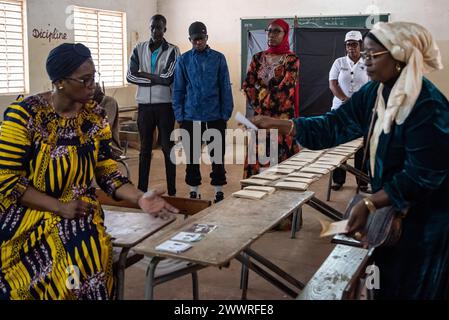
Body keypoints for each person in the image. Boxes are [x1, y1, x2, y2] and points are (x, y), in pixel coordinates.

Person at [252, 21, 449, 299]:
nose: (365, 61)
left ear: (399, 57)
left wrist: (372, 202)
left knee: (414, 285)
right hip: (393, 211)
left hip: (426, 219)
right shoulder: (375, 92)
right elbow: (336, 124)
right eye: (364, 54)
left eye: (372, 55)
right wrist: (284, 125)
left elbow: (425, 173)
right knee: (386, 280)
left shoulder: (426, 103)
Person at [0, 43, 178, 300]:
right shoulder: (25, 115)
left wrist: (139, 197)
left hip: (78, 213)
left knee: (85, 253)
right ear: (60, 82)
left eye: (94, 76)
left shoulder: (94, 117)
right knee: (42, 271)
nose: (92, 85)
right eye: (85, 79)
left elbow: (107, 172)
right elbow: (7, 180)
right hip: (28, 214)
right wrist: (58, 206)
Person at [173, 21, 233, 203]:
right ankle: (193, 190)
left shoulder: (218, 58)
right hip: (191, 116)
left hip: (215, 115)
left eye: (201, 39)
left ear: (207, 38)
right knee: (192, 156)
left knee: (217, 155)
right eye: (195, 39)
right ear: (190, 40)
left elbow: (225, 87)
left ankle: (218, 190)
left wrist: (225, 113)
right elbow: (178, 90)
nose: (198, 42)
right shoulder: (183, 60)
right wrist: (180, 116)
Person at [127, 14, 180, 196]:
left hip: (165, 106)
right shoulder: (139, 48)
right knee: (145, 149)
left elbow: (168, 79)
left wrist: (144, 75)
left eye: (159, 28)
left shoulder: (173, 50)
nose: (155, 31)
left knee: (167, 148)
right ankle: (142, 190)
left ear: (165, 29)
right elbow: (130, 75)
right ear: (149, 28)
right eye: (152, 27)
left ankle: (172, 190)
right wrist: (153, 79)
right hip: (144, 107)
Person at [242, 18, 300, 179]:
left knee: (281, 172)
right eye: (269, 31)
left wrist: (261, 98)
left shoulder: (291, 60)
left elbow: (286, 90)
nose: (271, 35)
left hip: (281, 123)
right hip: (261, 122)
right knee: (258, 170)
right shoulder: (257, 58)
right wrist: (262, 108)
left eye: (276, 31)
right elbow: (248, 85)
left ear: (285, 34)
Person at [329, 30, 370, 191]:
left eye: (354, 44)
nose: (351, 47)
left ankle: (362, 182)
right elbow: (333, 84)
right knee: (340, 145)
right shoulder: (339, 62)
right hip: (340, 110)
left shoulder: (368, 61)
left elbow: (373, 84)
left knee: (362, 147)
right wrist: (345, 100)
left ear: (361, 44)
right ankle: (338, 180)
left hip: (362, 111)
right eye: (348, 45)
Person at [93, 83, 123, 159]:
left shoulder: (110, 102)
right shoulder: (88, 104)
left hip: (109, 145)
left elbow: (106, 126)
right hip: (93, 143)